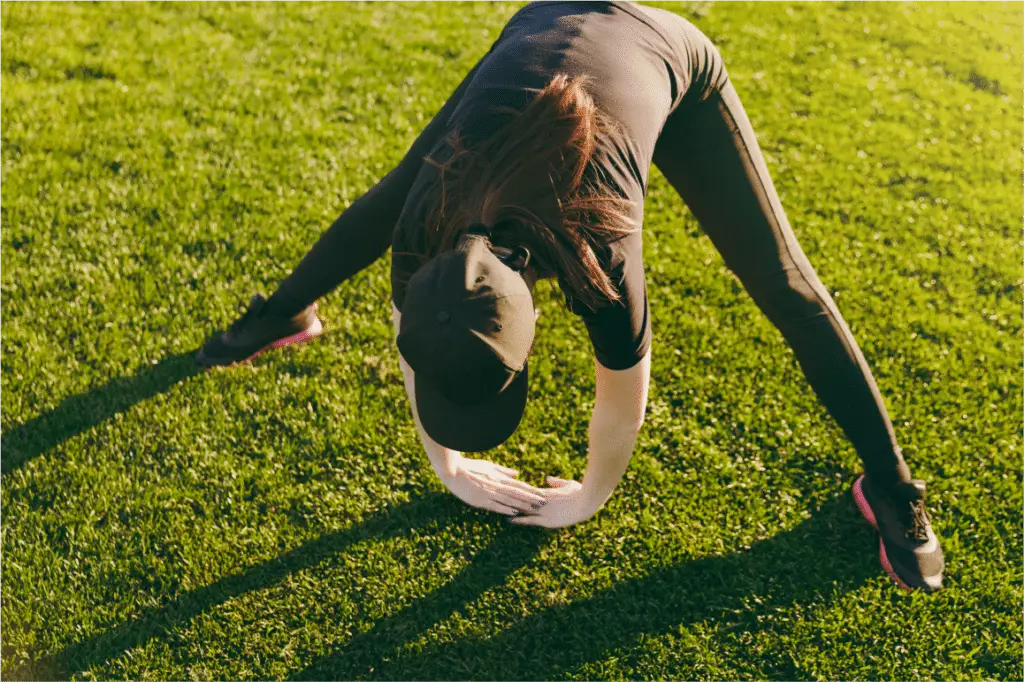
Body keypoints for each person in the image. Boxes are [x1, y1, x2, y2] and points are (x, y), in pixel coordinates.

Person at [196, 0, 944, 592]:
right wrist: (447, 466)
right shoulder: (421, 240)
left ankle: (892, 486)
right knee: (394, 191)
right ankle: (279, 314)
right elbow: (416, 341)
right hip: (543, 21)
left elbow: (622, 400)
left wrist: (587, 496)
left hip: (661, 54)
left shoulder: (599, 252)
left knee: (785, 284)